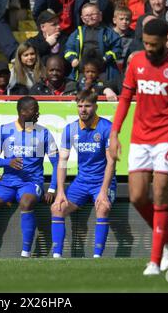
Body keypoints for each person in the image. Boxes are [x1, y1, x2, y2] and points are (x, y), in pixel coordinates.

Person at [109, 18, 168, 275]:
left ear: (163, 42)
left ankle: (155, 261)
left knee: (160, 193)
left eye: (153, 44)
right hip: (140, 136)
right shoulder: (136, 61)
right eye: (145, 43)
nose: (148, 48)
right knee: (137, 197)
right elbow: (125, 98)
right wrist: (115, 134)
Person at [0, 96, 58, 258]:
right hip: (7, 183)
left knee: (26, 202)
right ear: (22, 112)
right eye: (34, 110)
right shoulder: (4, 130)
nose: (38, 114)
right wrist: (8, 162)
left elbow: (57, 163)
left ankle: (25, 253)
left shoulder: (43, 133)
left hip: (31, 183)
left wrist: (53, 188)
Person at [51, 89, 117, 258]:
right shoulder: (70, 129)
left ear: (96, 106)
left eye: (87, 105)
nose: (83, 109)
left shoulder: (106, 127)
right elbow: (62, 161)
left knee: (102, 207)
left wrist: (103, 191)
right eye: (80, 106)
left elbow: (111, 161)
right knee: (57, 208)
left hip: (103, 181)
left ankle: (97, 257)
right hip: (81, 182)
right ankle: (56, 256)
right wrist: (60, 192)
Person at [64, 3, 122, 81]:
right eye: (87, 15)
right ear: (82, 18)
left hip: (104, 71)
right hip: (82, 71)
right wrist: (73, 59)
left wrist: (106, 58)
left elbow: (117, 48)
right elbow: (68, 48)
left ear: (100, 15)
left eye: (93, 14)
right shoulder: (77, 33)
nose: (90, 17)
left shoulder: (108, 33)